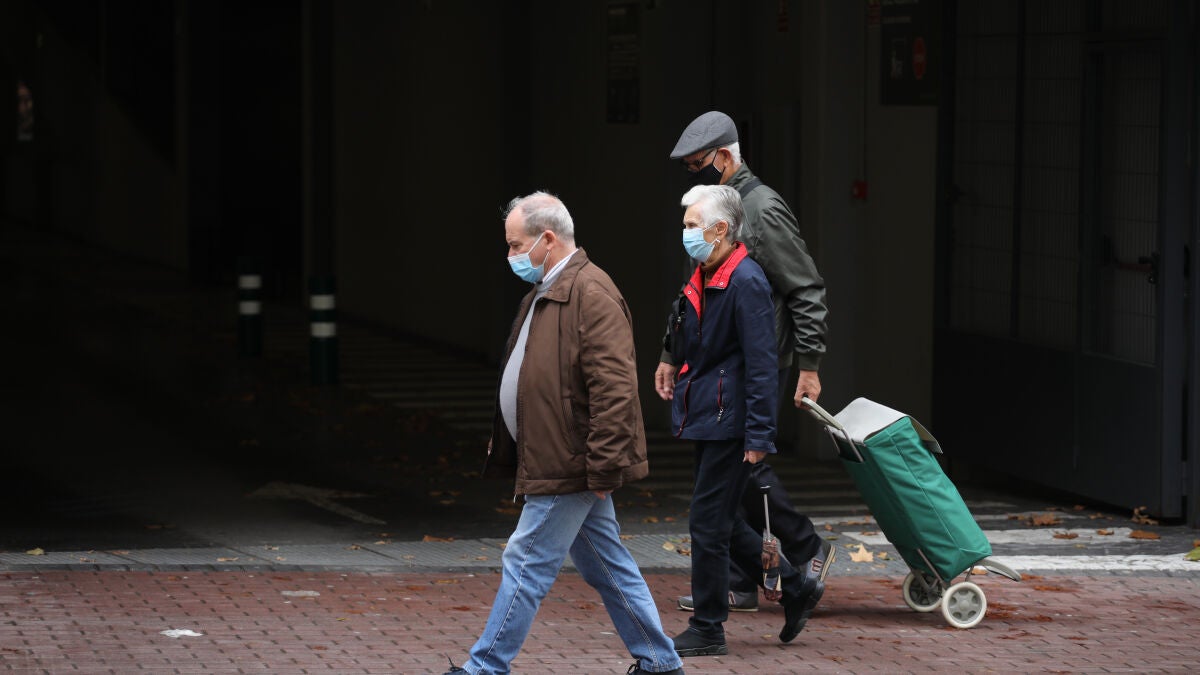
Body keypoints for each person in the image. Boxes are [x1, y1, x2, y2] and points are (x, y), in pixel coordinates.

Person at [443, 192, 684, 675]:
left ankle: (485, 667)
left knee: (525, 559)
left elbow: (615, 390)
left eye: (516, 245)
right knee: (606, 564)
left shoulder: (590, 293)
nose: (511, 255)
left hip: (571, 462)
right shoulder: (547, 291)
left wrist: (603, 468)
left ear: (547, 239)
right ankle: (659, 662)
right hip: (563, 457)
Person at [657, 111, 834, 618]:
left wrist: (809, 364)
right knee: (730, 471)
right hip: (717, 366)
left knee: (741, 464)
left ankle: (802, 548)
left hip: (756, 362)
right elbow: (694, 292)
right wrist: (671, 352)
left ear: (724, 157)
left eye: (699, 166)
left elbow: (805, 287)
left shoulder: (760, 209)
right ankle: (744, 580)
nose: (694, 176)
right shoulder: (712, 211)